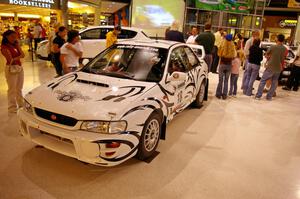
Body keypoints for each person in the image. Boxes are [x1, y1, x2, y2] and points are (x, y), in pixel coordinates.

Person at [255, 34, 287, 100]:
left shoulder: (273, 47)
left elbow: (266, 55)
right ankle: (269, 97)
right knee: (274, 82)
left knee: (263, 80)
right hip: (278, 67)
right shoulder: (285, 49)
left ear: (277, 39)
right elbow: (283, 59)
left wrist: (269, 57)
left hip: (271, 67)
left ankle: (258, 96)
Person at [1, 30, 25, 113]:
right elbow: (10, 59)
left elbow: (23, 55)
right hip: (10, 68)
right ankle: (12, 107)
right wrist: (18, 57)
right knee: (12, 89)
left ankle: (21, 104)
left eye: (15, 37)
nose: (14, 38)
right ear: (6, 37)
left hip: (19, 67)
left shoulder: (15, 45)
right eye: (12, 37)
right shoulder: (4, 47)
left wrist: (18, 46)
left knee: (19, 88)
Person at [216, 34, 236, 100]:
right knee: (226, 81)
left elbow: (218, 54)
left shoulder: (222, 45)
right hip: (229, 65)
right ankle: (224, 95)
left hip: (222, 64)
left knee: (220, 80)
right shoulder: (233, 46)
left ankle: (218, 94)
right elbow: (234, 57)